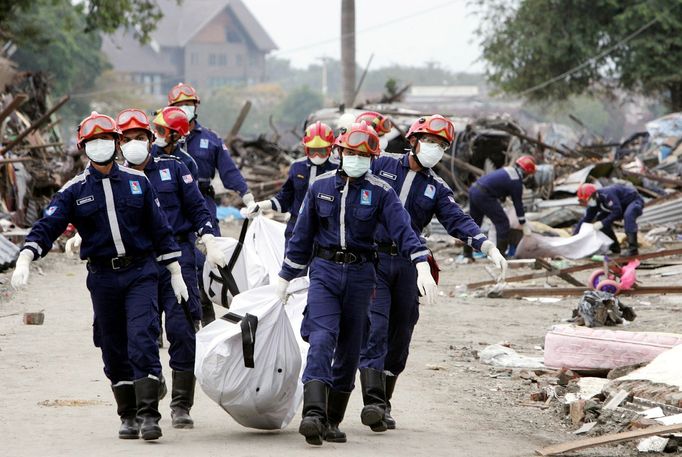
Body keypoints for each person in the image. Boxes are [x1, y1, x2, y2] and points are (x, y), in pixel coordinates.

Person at [11, 112, 188, 441]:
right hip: (104, 278)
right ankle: (128, 414)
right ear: (83, 148)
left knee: (142, 338)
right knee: (113, 347)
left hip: (140, 272)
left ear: (117, 142)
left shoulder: (139, 182)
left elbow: (160, 229)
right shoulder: (75, 190)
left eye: (106, 139)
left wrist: (175, 270)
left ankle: (149, 414)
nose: (100, 146)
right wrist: (26, 254)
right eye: (93, 142)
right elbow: (48, 224)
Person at [276, 121, 436, 446]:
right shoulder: (319, 186)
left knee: (350, 348)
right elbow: (302, 236)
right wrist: (284, 278)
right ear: (340, 152)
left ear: (373, 157)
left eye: (363, 154)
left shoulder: (381, 191)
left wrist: (420, 261)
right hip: (324, 271)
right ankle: (314, 414)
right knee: (322, 337)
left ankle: (332, 420)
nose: (355, 158)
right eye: (350, 152)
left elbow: (403, 229)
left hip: (363, 276)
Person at [360, 114, 507, 431]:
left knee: (401, 334)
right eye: (429, 141)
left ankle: (384, 402)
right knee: (376, 326)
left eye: (440, 145)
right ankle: (372, 401)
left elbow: (458, 220)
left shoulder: (436, 188)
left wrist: (486, 245)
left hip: (410, 265)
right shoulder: (380, 166)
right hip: (373, 261)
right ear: (413, 141)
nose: (434, 149)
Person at [116, 107, 228, 429]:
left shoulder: (175, 168)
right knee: (143, 333)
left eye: (140, 137)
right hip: (141, 263)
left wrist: (208, 236)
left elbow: (197, 207)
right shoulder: (115, 179)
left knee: (182, 329)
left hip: (180, 256)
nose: (134, 143)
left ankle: (181, 404)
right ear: (119, 143)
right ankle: (151, 386)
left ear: (151, 140)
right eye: (128, 139)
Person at [166, 82, 256, 326]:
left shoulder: (210, 140)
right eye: (179, 105)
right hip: (171, 206)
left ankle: (205, 316)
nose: (184, 109)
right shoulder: (162, 139)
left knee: (207, 262)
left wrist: (246, 195)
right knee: (167, 261)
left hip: (203, 203)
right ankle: (163, 322)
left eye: (188, 105)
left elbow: (229, 171)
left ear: (196, 107)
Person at [252, 121, 338, 247]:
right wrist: (262, 205)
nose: (317, 155)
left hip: (326, 232)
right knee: (291, 265)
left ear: (331, 148)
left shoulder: (339, 169)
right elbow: (285, 197)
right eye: (313, 151)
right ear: (306, 148)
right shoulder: (298, 167)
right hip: (296, 229)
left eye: (322, 151)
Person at [464, 155, 537, 259]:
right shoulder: (517, 182)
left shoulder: (508, 171)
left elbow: (499, 185)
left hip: (474, 190)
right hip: (484, 195)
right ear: (527, 172)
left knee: (474, 224)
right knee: (503, 223)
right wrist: (523, 223)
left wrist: (503, 198)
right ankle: (501, 256)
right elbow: (518, 204)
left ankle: (467, 254)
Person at [574, 183, 643, 256]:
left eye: (587, 200)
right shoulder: (594, 204)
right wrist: (574, 237)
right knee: (600, 219)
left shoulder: (607, 194)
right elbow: (586, 219)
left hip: (633, 201)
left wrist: (602, 223)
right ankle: (615, 248)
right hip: (620, 207)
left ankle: (633, 250)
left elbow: (617, 211)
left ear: (594, 195)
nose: (587, 203)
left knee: (628, 215)